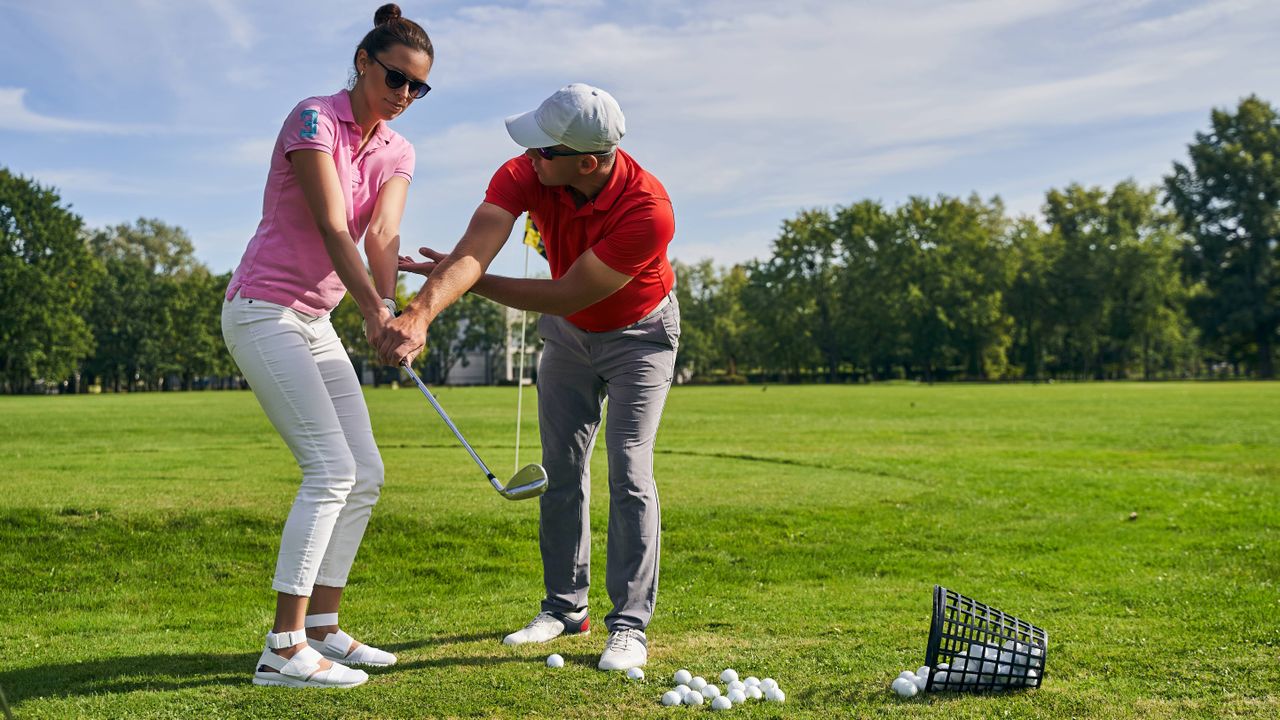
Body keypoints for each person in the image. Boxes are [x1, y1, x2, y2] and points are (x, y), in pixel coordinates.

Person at [386, 83, 678, 671]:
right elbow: (477, 247)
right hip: (567, 338)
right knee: (560, 468)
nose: (531, 157)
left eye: (545, 151)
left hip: (638, 337)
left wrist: (467, 281)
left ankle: (629, 625)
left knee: (629, 470)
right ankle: (566, 607)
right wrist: (420, 312)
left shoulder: (649, 211)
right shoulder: (528, 170)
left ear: (587, 162)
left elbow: (567, 292)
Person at [220, 4, 433, 688]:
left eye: (417, 88)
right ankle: (282, 648)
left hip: (314, 321)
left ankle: (322, 629)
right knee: (330, 469)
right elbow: (335, 226)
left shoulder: (398, 149)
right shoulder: (313, 118)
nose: (403, 95)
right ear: (364, 62)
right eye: (395, 77)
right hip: (263, 312)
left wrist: (396, 315)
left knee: (364, 472)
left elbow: (380, 240)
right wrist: (373, 313)